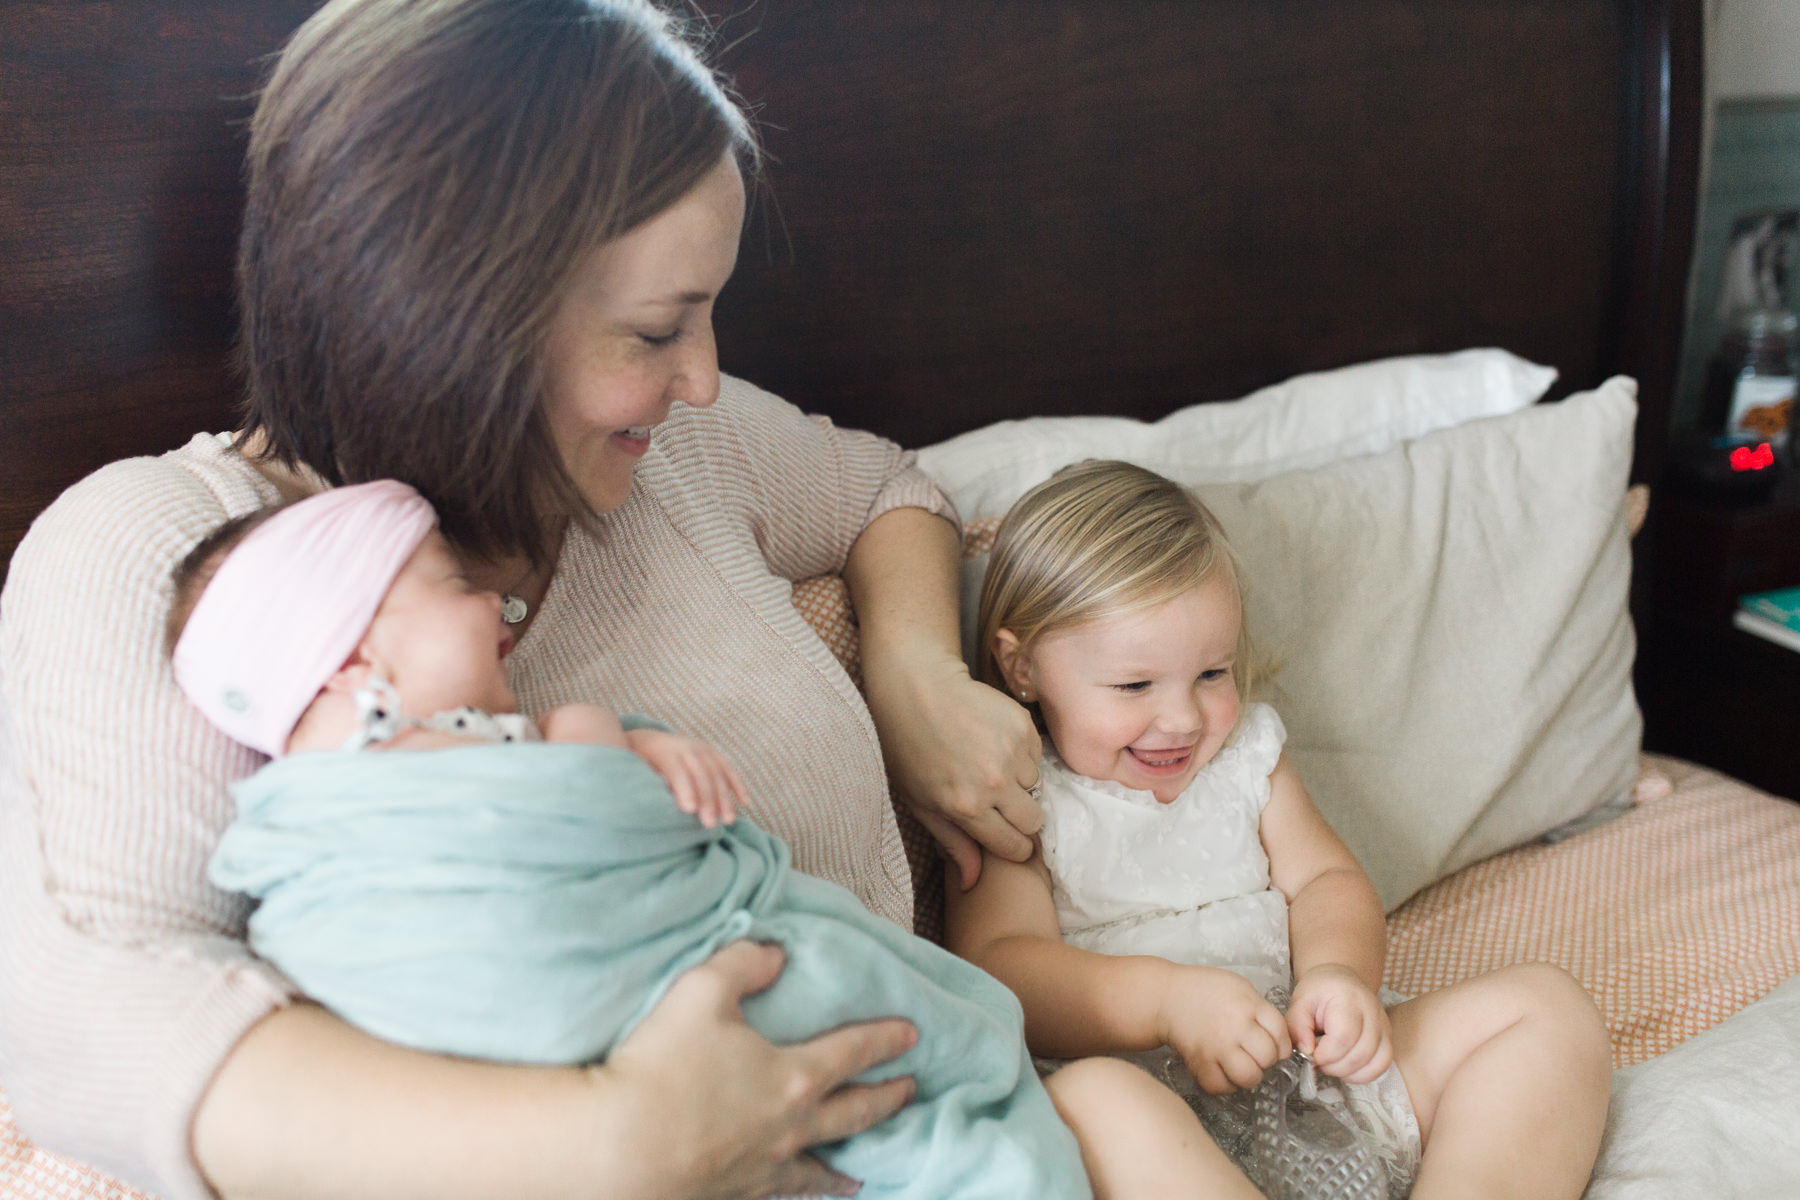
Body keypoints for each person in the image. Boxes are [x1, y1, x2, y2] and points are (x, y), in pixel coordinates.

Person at [0, 2, 1046, 1198]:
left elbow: (880, 487)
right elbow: (92, 1026)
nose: (702, 379)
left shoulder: (656, 448)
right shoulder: (189, 563)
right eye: (657, 329)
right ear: (453, 328)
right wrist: (617, 1143)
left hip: (958, 1128)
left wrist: (916, 677)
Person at [161, 480, 1088, 1200]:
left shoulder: (288, 835)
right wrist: (601, 732)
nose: (492, 607)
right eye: (452, 586)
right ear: (355, 657)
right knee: (949, 1073)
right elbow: (596, 813)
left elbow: (885, 484)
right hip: (617, 1041)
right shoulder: (376, 805)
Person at [946, 460, 1614, 1200]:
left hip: (1318, 1083)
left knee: (1548, 1010)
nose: (1184, 719)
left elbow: (1327, 880)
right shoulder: (1014, 791)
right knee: (1091, 1106)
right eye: (1135, 685)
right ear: (1022, 668)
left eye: (1212, 673)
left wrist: (1339, 973)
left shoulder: (1246, 761)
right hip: (1163, 1118)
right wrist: (1168, 1002)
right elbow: (1001, 967)